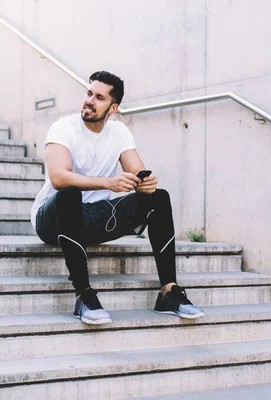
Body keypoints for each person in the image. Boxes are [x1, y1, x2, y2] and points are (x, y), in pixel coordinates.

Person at [31, 71, 205, 325]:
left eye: (98, 97)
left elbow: (136, 171)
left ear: (112, 108)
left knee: (158, 198)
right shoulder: (63, 127)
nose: (89, 101)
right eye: (89, 93)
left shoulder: (119, 132)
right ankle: (84, 295)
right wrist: (109, 184)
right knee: (69, 193)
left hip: (94, 218)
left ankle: (169, 292)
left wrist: (145, 184)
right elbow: (59, 177)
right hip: (52, 219)